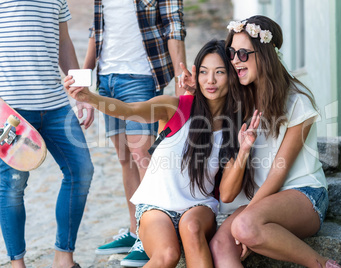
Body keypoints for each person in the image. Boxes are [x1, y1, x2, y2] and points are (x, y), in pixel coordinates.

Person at [66, 39, 259, 268]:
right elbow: (129, 110)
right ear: (196, 76)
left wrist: (244, 150)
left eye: (219, 72)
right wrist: (90, 98)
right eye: (204, 72)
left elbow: (226, 194)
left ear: (231, 77)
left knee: (192, 227)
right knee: (167, 255)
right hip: (155, 208)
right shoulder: (176, 107)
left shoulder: (234, 128)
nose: (211, 80)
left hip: (199, 208)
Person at [179, 15, 341, 268]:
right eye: (232, 53)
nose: (235, 60)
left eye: (243, 54)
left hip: (304, 196)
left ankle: (324, 265)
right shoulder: (239, 100)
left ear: (264, 54)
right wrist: (196, 92)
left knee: (243, 226)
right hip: (261, 202)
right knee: (220, 245)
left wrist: (247, 221)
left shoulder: (297, 102)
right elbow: (209, 108)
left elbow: (279, 173)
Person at [81, 0, 187, 265]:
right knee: (125, 158)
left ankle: (153, 237)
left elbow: (174, 24)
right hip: (107, 78)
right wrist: (85, 79)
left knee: (143, 157)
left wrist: (181, 77)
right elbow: (98, 28)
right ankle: (135, 230)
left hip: (141, 76)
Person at [0, 1, 94, 268]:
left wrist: (83, 93)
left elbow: (64, 42)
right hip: (11, 112)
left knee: (81, 171)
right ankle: (17, 263)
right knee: (12, 186)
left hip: (56, 105)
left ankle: (64, 258)